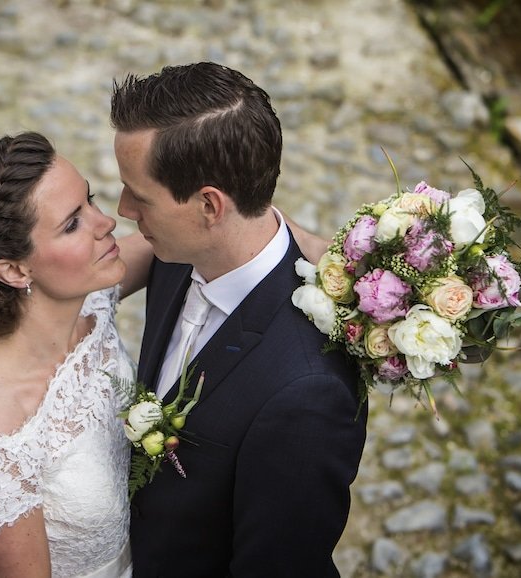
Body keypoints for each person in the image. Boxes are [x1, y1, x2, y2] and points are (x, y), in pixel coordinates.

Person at [111, 61, 367, 577]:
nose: (122, 210)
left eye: (139, 196)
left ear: (210, 205)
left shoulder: (306, 392)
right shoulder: (179, 248)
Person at [0, 131, 154, 578]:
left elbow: (192, 233)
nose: (106, 223)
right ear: (15, 269)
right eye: (72, 223)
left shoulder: (91, 301)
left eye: (91, 200)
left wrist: (321, 257)